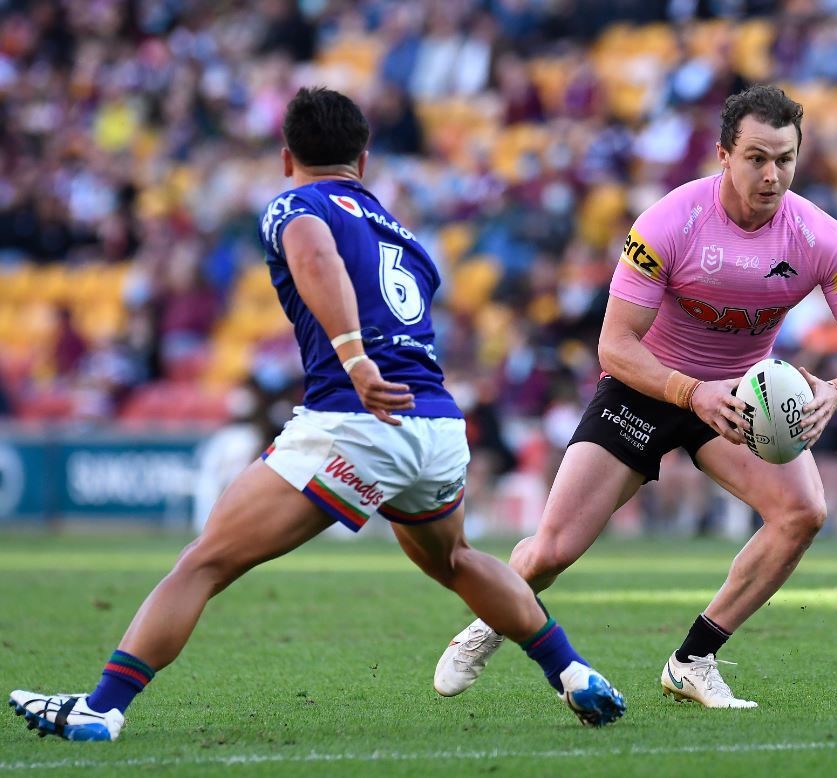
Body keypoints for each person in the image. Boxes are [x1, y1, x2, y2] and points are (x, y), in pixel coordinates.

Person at [9, 87, 625, 741]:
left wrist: (356, 361)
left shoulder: (294, 204)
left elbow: (314, 254)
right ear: (363, 159)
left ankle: (101, 708)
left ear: (286, 157)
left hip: (356, 418)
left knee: (204, 562)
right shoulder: (406, 236)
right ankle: (573, 672)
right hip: (437, 426)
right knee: (456, 561)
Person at [434, 85, 837, 708]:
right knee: (552, 551)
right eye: (757, 157)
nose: (772, 174)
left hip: (739, 400)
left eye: (784, 159)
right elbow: (615, 345)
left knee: (802, 513)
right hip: (648, 387)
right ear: (723, 155)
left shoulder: (821, 236)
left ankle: (694, 660)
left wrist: (836, 392)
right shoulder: (667, 222)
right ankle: (493, 620)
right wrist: (689, 390)